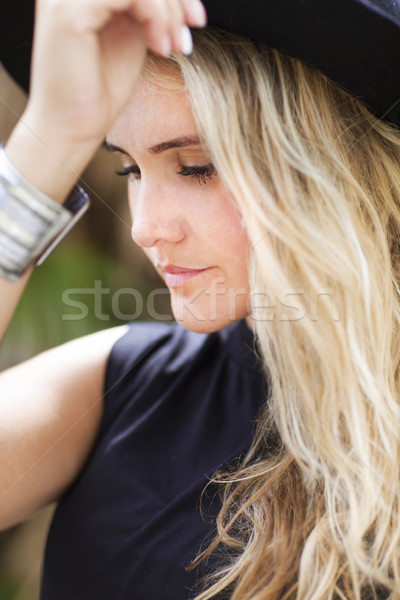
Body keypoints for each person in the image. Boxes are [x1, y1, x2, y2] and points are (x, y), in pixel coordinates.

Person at [1, 0, 400, 598]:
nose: (145, 228)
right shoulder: (115, 387)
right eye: (129, 171)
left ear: (329, 166)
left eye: (195, 167)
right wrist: (49, 135)